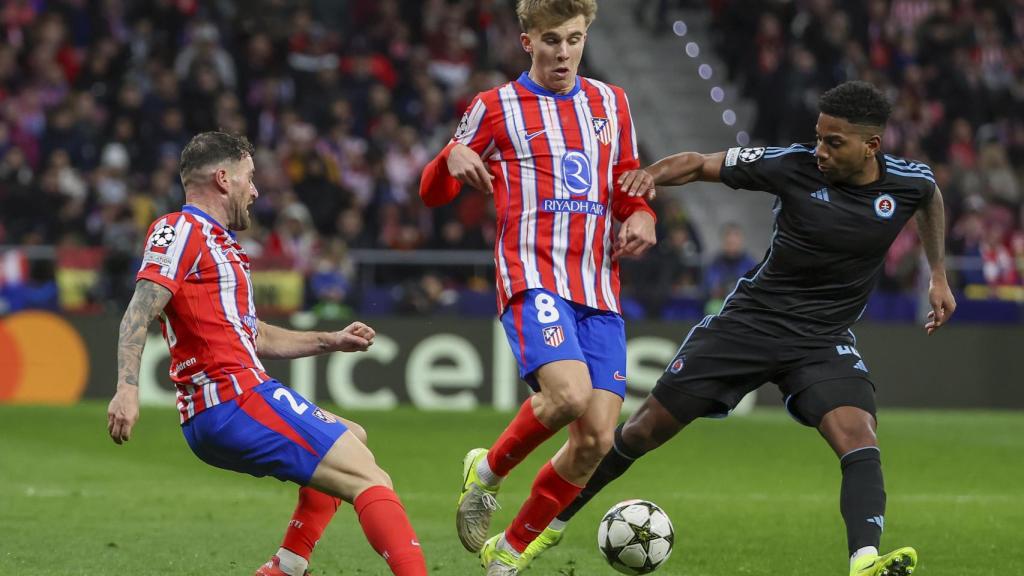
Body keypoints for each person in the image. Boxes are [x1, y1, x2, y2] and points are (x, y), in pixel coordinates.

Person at [518, 80, 957, 576]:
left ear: (870, 146)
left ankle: (865, 561)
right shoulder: (791, 164)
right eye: (819, 137)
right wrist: (646, 177)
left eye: (834, 143)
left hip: (821, 340)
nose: (820, 151)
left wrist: (938, 274)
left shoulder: (906, 181)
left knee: (860, 438)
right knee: (641, 433)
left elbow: (930, 197)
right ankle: (541, 530)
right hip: (747, 325)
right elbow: (702, 163)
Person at [105, 131, 427, 576]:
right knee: (371, 479)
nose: (255, 191)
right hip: (232, 399)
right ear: (223, 178)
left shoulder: (220, 245)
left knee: (353, 436)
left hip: (227, 404)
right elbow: (140, 309)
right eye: (249, 178)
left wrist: (329, 340)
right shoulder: (181, 230)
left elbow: (251, 336)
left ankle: (288, 565)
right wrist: (126, 387)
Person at [418, 1, 657, 574]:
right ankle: (489, 473)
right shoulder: (494, 107)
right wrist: (451, 156)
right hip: (533, 275)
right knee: (569, 396)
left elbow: (626, 188)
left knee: (597, 441)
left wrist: (643, 214)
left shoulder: (611, 102)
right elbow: (432, 194)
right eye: (552, 40)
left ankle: (509, 551)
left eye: (574, 39)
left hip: (599, 287)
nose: (564, 52)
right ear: (528, 42)